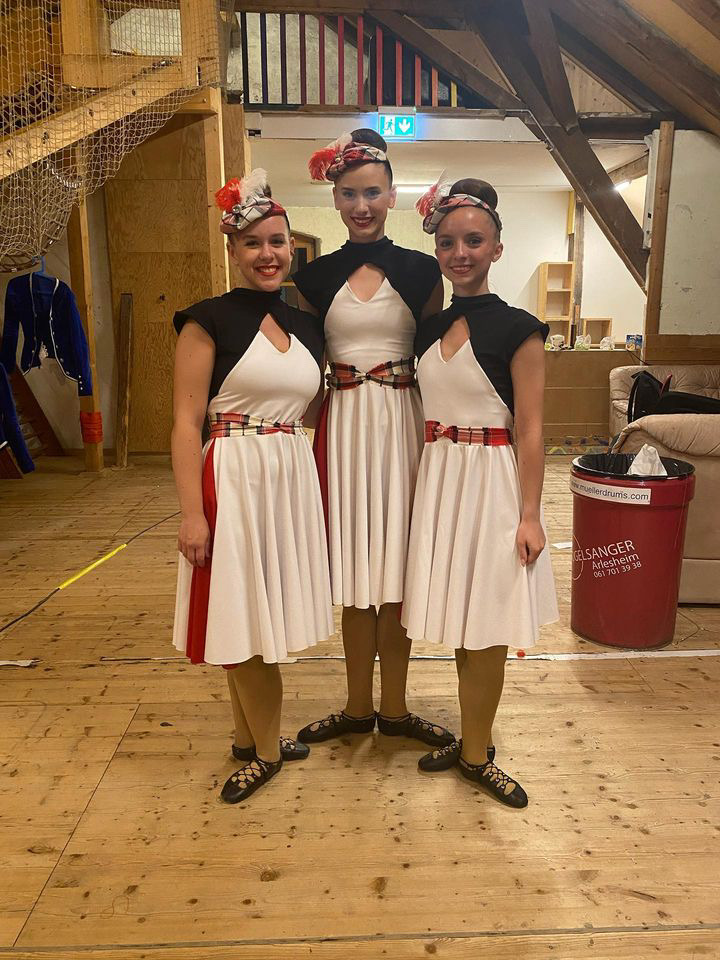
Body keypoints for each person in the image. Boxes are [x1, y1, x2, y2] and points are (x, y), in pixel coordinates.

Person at [171, 169, 333, 804]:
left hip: (287, 479)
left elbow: (314, 408)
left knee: (259, 614)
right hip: (233, 477)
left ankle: (248, 739)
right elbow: (185, 423)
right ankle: (267, 751)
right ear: (233, 250)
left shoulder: (309, 326)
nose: (268, 254)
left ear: (292, 246)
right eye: (253, 243)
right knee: (242, 615)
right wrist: (192, 514)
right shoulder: (205, 320)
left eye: (277, 241)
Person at [292, 130, 454, 751]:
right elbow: (305, 365)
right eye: (349, 194)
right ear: (334, 197)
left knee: (397, 572)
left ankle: (395, 708)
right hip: (344, 429)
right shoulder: (315, 277)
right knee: (356, 574)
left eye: (373, 193)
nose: (362, 205)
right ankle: (358, 707)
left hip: (404, 426)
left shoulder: (422, 270)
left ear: (392, 196)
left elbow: (436, 358)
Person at [402, 176, 558, 807]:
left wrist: (530, 515)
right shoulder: (426, 329)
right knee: (461, 620)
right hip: (442, 478)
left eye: (473, 241)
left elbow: (533, 428)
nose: (459, 253)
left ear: (497, 247)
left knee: (489, 623)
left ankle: (476, 753)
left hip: (493, 481)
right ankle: (471, 739)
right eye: (447, 242)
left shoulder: (520, 328)